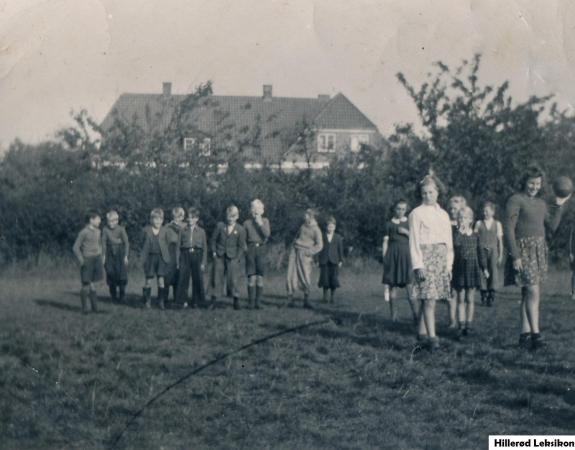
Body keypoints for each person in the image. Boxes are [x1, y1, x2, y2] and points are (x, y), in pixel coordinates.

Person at [504, 165, 570, 350]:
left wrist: (560, 205)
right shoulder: (515, 200)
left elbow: (552, 227)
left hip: (539, 249)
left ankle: (524, 335)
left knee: (528, 292)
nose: (534, 186)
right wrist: (515, 255)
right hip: (522, 250)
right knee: (533, 291)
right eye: (531, 182)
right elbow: (509, 229)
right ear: (524, 182)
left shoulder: (541, 203)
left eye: (538, 183)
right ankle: (536, 335)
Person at [409, 174, 453, 352]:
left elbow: (448, 242)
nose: (428, 196)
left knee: (431, 298)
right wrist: (418, 264)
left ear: (438, 192)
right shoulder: (416, 213)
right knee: (428, 299)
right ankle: (433, 339)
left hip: (440, 258)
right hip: (425, 258)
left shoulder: (443, 214)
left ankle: (421, 335)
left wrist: (449, 265)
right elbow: (414, 241)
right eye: (424, 193)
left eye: (431, 192)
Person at [452, 206, 487, 338]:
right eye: (460, 218)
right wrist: (460, 232)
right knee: (460, 298)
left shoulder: (475, 235)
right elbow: (455, 245)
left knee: (470, 298)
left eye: (465, 218)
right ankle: (460, 325)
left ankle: (469, 324)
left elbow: (481, 253)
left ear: (471, 220)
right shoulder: (456, 234)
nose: (462, 220)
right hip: (460, 269)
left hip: (472, 269)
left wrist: (485, 268)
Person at [382, 200, 417, 323]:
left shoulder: (409, 222)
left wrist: (406, 232)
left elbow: (416, 239)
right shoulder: (388, 224)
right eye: (398, 209)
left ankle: (416, 316)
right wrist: (384, 257)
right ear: (394, 209)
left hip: (406, 256)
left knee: (409, 286)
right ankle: (394, 317)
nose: (401, 211)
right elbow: (385, 242)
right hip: (392, 256)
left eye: (403, 209)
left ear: (406, 209)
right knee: (393, 287)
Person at [210, 205, 247, 310]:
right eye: (229, 216)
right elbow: (213, 240)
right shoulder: (220, 226)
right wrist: (213, 252)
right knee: (216, 278)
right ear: (226, 216)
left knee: (233, 279)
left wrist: (237, 257)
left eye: (233, 216)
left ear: (237, 217)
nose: (231, 219)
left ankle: (236, 300)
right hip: (220, 255)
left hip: (233, 256)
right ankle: (214, 300)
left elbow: (241, 246)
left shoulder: (240, 229)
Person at [286, 208, 323, 308]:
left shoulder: (316, 229)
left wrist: (309, 252)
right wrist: (294, 244)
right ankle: (290, 299)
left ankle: (306, 301)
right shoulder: (302, 226)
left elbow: (320, 245)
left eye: (306, 215)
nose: (304, 217)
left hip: (305, 254)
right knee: (291, 274)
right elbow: (297, 237)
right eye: (304, 215)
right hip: (295, 251)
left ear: (311, 217)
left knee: (305, 276)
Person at [73, 211, 104, 314]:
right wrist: (81, 259)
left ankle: (95, 309)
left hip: (96, 259)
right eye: (98, 219)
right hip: (87, 260)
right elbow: (75, 247)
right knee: (86, 284)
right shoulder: (83, 232)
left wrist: (100, 254)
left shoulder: (98, 231)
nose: (100, 221)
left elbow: (99, 244)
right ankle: (85, 309)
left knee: (92, 284)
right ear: (91, 219)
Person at [474, 201, 504, 306]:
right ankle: (483, 294)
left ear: (493, 212)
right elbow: (475, 239)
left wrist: (500, 255)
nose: (485, 213)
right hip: (481, 250)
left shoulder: (497, 224)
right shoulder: (478, 223)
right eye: (483, 211)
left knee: (493, 272)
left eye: (487, 211)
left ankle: (491, 295)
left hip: (493, 250)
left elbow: (500, 241)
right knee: (482, 271)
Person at [243, 199, 271, 309]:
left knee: (260, 276)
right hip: (250, 249)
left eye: (258, 209)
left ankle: (258, 302)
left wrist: (260, 224)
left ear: (262, 211)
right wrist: (245, 249)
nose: (256, 211)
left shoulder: (265, 221)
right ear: (250, 210)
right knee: (251, 277)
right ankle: (250, 302)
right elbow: (243, 239)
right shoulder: (246, 223)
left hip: (261, 250)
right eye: (253, 208)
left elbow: (267, 234)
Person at [178, 207, 208, 309]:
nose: (189, 220)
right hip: (185, 254)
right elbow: (179, 246)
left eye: (192, 218)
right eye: (188, 217)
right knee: (184, 278)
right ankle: (183, 301)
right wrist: (179, 260)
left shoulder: (201, 231)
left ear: (196, 219)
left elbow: (205, 248)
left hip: (197, 255)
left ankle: (196, 301)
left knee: (197, 279)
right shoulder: (183, 230)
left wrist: (203, 262)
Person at [141, 208, 170, 310]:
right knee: (148, 280)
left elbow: (167, 243)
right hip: (150, 258)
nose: (158, 221)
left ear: (162, 220)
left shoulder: (165, 230)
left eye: (160, 219)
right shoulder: (146, 230)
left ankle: (160, 301)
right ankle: (147, 301)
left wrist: (167, 258)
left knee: (161, 280)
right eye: (155, 219)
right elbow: (142, 243)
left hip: (161, 258)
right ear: (151, 220)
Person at [446, 195, 467, 328]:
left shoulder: (464, 225)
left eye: (456, 209)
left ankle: (462, 321)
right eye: (451, 208)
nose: (453, 211)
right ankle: (452, 320)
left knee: (461, 293)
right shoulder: (444, 222)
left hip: (461, 260)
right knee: (450, 293)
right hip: (448, 260)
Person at [102, 210, 129, 303]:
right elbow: (104, 243)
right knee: (110, 274)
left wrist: (126, 256)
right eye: (109, 221)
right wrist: (103, 256)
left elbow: (126, 243)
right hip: (109, 254)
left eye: (113, 221)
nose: (111, 223)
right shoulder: (105, 230)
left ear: (117, 221)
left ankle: (122, 295)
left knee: (121, 276)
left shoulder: (121, 229)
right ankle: (113, 296)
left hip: (120, 254)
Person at [317, 216, 344, 304]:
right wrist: (318, 260)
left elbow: (340, 249)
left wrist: (340, 260)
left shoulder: (338, 237)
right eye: (329, 226)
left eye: (332, 226)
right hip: (324, 260)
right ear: (326, 227)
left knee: (333, 279)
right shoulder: (322, 236)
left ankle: (332, 297)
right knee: (325, 279)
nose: (330, 228)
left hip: (334, 260)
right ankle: (325, 297)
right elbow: (319, 248)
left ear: (335, 227)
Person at [163, 207, 185, 307]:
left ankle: (178, 299)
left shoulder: (186, 227)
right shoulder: (167, 227)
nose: (178, 218)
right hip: (170, 252)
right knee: (168, 276)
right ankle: (165, 300)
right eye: (176, 216)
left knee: (180, 276)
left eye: (180, 216)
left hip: (183, 252)